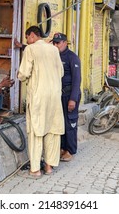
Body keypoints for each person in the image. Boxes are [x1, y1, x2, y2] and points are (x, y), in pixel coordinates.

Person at [17, 26, 64, 178]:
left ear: (32, 35)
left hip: (38, 97)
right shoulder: (54, 50)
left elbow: (23, 74)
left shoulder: (30, 49)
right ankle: (49, 167)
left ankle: (35, 169)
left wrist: (20, 76)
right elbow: (61, 72)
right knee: (52, 130)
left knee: (36, 131)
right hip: (55, 97)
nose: (26, 41)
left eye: (27, 37)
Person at [51, 32, 81, 162]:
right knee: (60, 122)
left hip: (69, 94)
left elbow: (76, 79)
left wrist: (73, 99)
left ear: (65, 42)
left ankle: (70, 150)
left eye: (58, 43)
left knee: (70, 123)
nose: (56, 45)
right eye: (54, 43)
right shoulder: (54, 55)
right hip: (59, 94)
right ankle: (63, 148)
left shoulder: (72, 57)